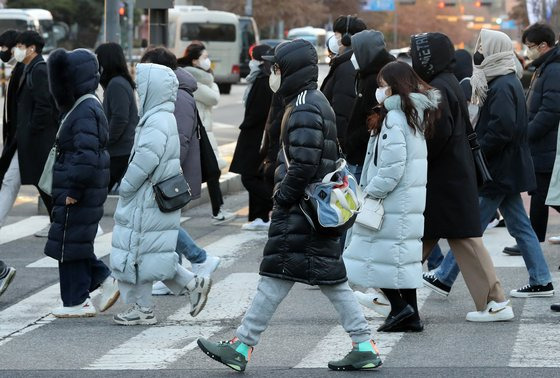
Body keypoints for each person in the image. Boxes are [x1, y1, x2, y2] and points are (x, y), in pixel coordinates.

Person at [197, 39, 382, 373]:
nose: (272, 72)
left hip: (302, 209)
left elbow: (305, 161)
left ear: (290, 69)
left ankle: (242, 346)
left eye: (276, 66)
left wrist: (281, 198)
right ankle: (363, 345)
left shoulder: (304, 105)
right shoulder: (307, 100)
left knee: (280, 277)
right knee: (322, 281)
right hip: (310, 209)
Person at [422, 30, 554, 300]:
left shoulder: (503, 84)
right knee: (519, 226)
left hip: (499, 169)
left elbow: (502, 129)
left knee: (468, 226)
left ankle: (445, 276)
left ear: (495, 49)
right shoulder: (504, 79)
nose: (479, 52)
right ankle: (541, 279)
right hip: (506, 167)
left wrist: (477, 151)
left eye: (484, 46)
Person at [410, 32, 514, 322]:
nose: (416, 60)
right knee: (428, 236)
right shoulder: (449, 81)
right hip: (453, 177)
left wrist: (416, 157)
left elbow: (437, 136)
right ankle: (388, 291)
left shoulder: (439, 88)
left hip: (447, 179)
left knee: (464, 239)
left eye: (419, 55)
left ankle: (495, 303)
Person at [110, 63, 211, 325]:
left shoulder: (155, 120)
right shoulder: (161, 116)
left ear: (151, 89)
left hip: (145, 197)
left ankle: (148, 306)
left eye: (141, 86)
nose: (138, 92)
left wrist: (126, 185)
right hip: (151, 197)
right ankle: (153, 303)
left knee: (141, 254)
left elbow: (146, 159)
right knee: (146, 255)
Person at [345, 61, 439, 332]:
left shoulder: (395, 118)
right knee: (401, 261)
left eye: (383, 85)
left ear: (395, 87)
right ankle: (411, 317)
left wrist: (371, 192)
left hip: (390, 202)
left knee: (371, 256)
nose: (379, 90)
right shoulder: (412, 115)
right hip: (406, 202)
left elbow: (391, 167)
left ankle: (400, 309)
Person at [138, 47, 221, 296]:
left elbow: (182, 138)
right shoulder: (171, 92)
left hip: (173, 171)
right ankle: (172, 272)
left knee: (163, 221)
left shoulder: (179, 96)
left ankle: (199, 258)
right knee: (165, 220)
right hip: (171, 169)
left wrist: (168, 171)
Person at [44, 48, 119, 317]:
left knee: (69, 243)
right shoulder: (85, 104)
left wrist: (73, 189)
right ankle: (103, 281)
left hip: (78, 189)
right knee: (71, 242)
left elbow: (85, 154)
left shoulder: (86, 108)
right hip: (78, 186)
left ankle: (77, 301)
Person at [501, 23, 560, 254]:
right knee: (541, 193)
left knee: (546, 195)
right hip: (542, 143)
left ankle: (531, 241)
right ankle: (531, 241)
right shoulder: (544, 67)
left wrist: (526, 134)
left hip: (547, 143)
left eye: (531, 46)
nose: (528, 51)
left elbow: (551, 111)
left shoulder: (553, 69)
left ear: (544, 45)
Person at [7, 31, 58, 238]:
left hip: (39, 138)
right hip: (31, 137)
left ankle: (58, 222)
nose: (16, 50)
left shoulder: (39, 70)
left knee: (44, 182)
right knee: (41, 182)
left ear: (31, 48)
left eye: (20, 45)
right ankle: (56, 222)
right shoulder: (31, 67)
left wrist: (33, 129)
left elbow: (44, 104)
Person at [178, 42, 235, 224]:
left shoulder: (201, 78)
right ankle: (216, 211)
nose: (207, 60)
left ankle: (218, 210)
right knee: (208, 171)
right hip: (199, 133)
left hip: (204, 132)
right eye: (204, 57)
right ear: (194, 61)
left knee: (211, 171)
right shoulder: (192, 80)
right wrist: (211, 81)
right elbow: (214, 97)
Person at [230, 44, 274, 231]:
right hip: (256, 134)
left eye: (254, 59)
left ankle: (274, 205)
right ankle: (259, 216)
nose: (251, 62)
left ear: (260, 61)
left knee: (249, 176)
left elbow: (257, 112)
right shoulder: (261, 79)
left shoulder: (263, 81)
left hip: (256, 135)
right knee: (256, 175)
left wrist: (246, 124)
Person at [344, 30, 395, 183]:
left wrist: (353, 141)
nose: (353, 56)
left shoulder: (376, 80)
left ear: (366, 51)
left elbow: (373, 119)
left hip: (364, 156)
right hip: (360, 155)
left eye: (356, 51)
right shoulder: (367, 74)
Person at [94, 42, 139, 192]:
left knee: (102, 191)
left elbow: (120, 118)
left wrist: (106, 141)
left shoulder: (116, 85)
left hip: (119, 151)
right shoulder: (117, 83)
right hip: (121, 149)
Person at [321, 15, 367, 149]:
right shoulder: (351, 62)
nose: (334, 40)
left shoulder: (348, 67)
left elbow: (342, 112)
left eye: (336, 35)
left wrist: (338, 146)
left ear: (347, 38)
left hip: (343, 147)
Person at [0, 30, 22, 296]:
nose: (3, 52)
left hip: (21, 142)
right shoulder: (16, 72)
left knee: (9, 182)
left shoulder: (27, 71)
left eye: (4, 47)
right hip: (14, 141)